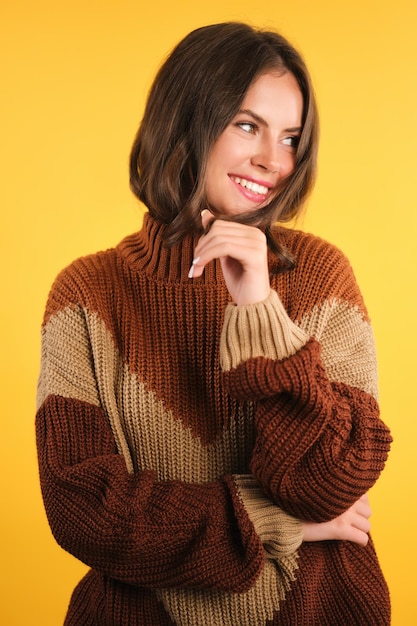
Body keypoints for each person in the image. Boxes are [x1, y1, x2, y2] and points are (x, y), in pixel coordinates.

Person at [36, 22, 392, 626]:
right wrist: (276, 522)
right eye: (247, 125)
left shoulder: (323, 279)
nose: (272, 160)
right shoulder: (86, 295)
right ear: (185, 120)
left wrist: (260, 310)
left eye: (290, 137)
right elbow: (84, 510)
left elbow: (328, 488)